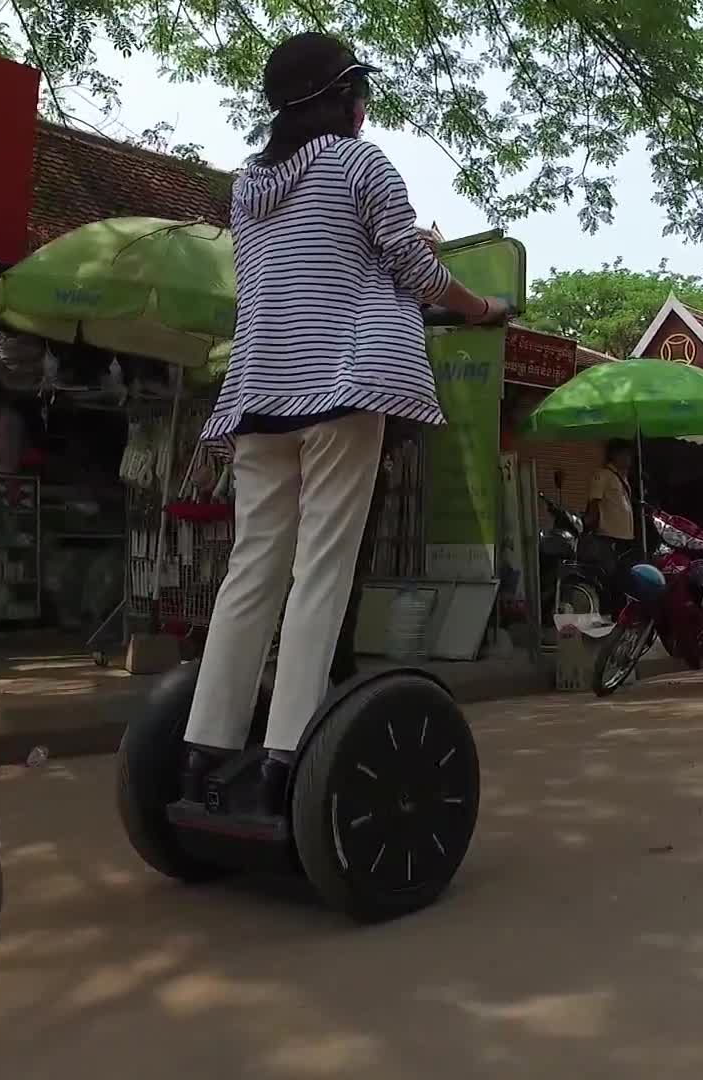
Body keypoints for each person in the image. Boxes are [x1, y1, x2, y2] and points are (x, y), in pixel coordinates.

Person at [180, 32, 508, 816]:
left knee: (252, 570)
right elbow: (415, 270)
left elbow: (324, 255)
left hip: (260, 395)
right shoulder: (361, 163)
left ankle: (202, 752)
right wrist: (483, 306)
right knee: (320, 574)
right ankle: (286, 759)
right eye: (362, 93)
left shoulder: (247, 188)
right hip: (339, 386)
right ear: (346, 97)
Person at [583, 439, 640, 607]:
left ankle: (618, 608)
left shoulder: (623, 478)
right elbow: (594, 502)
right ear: (615, 455)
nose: (629, 459)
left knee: (622, 575)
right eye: (625, 454)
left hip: (624, 536)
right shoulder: (603, 475)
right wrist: (590, 525)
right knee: (610, 576)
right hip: (608, 535)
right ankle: (608, 609)